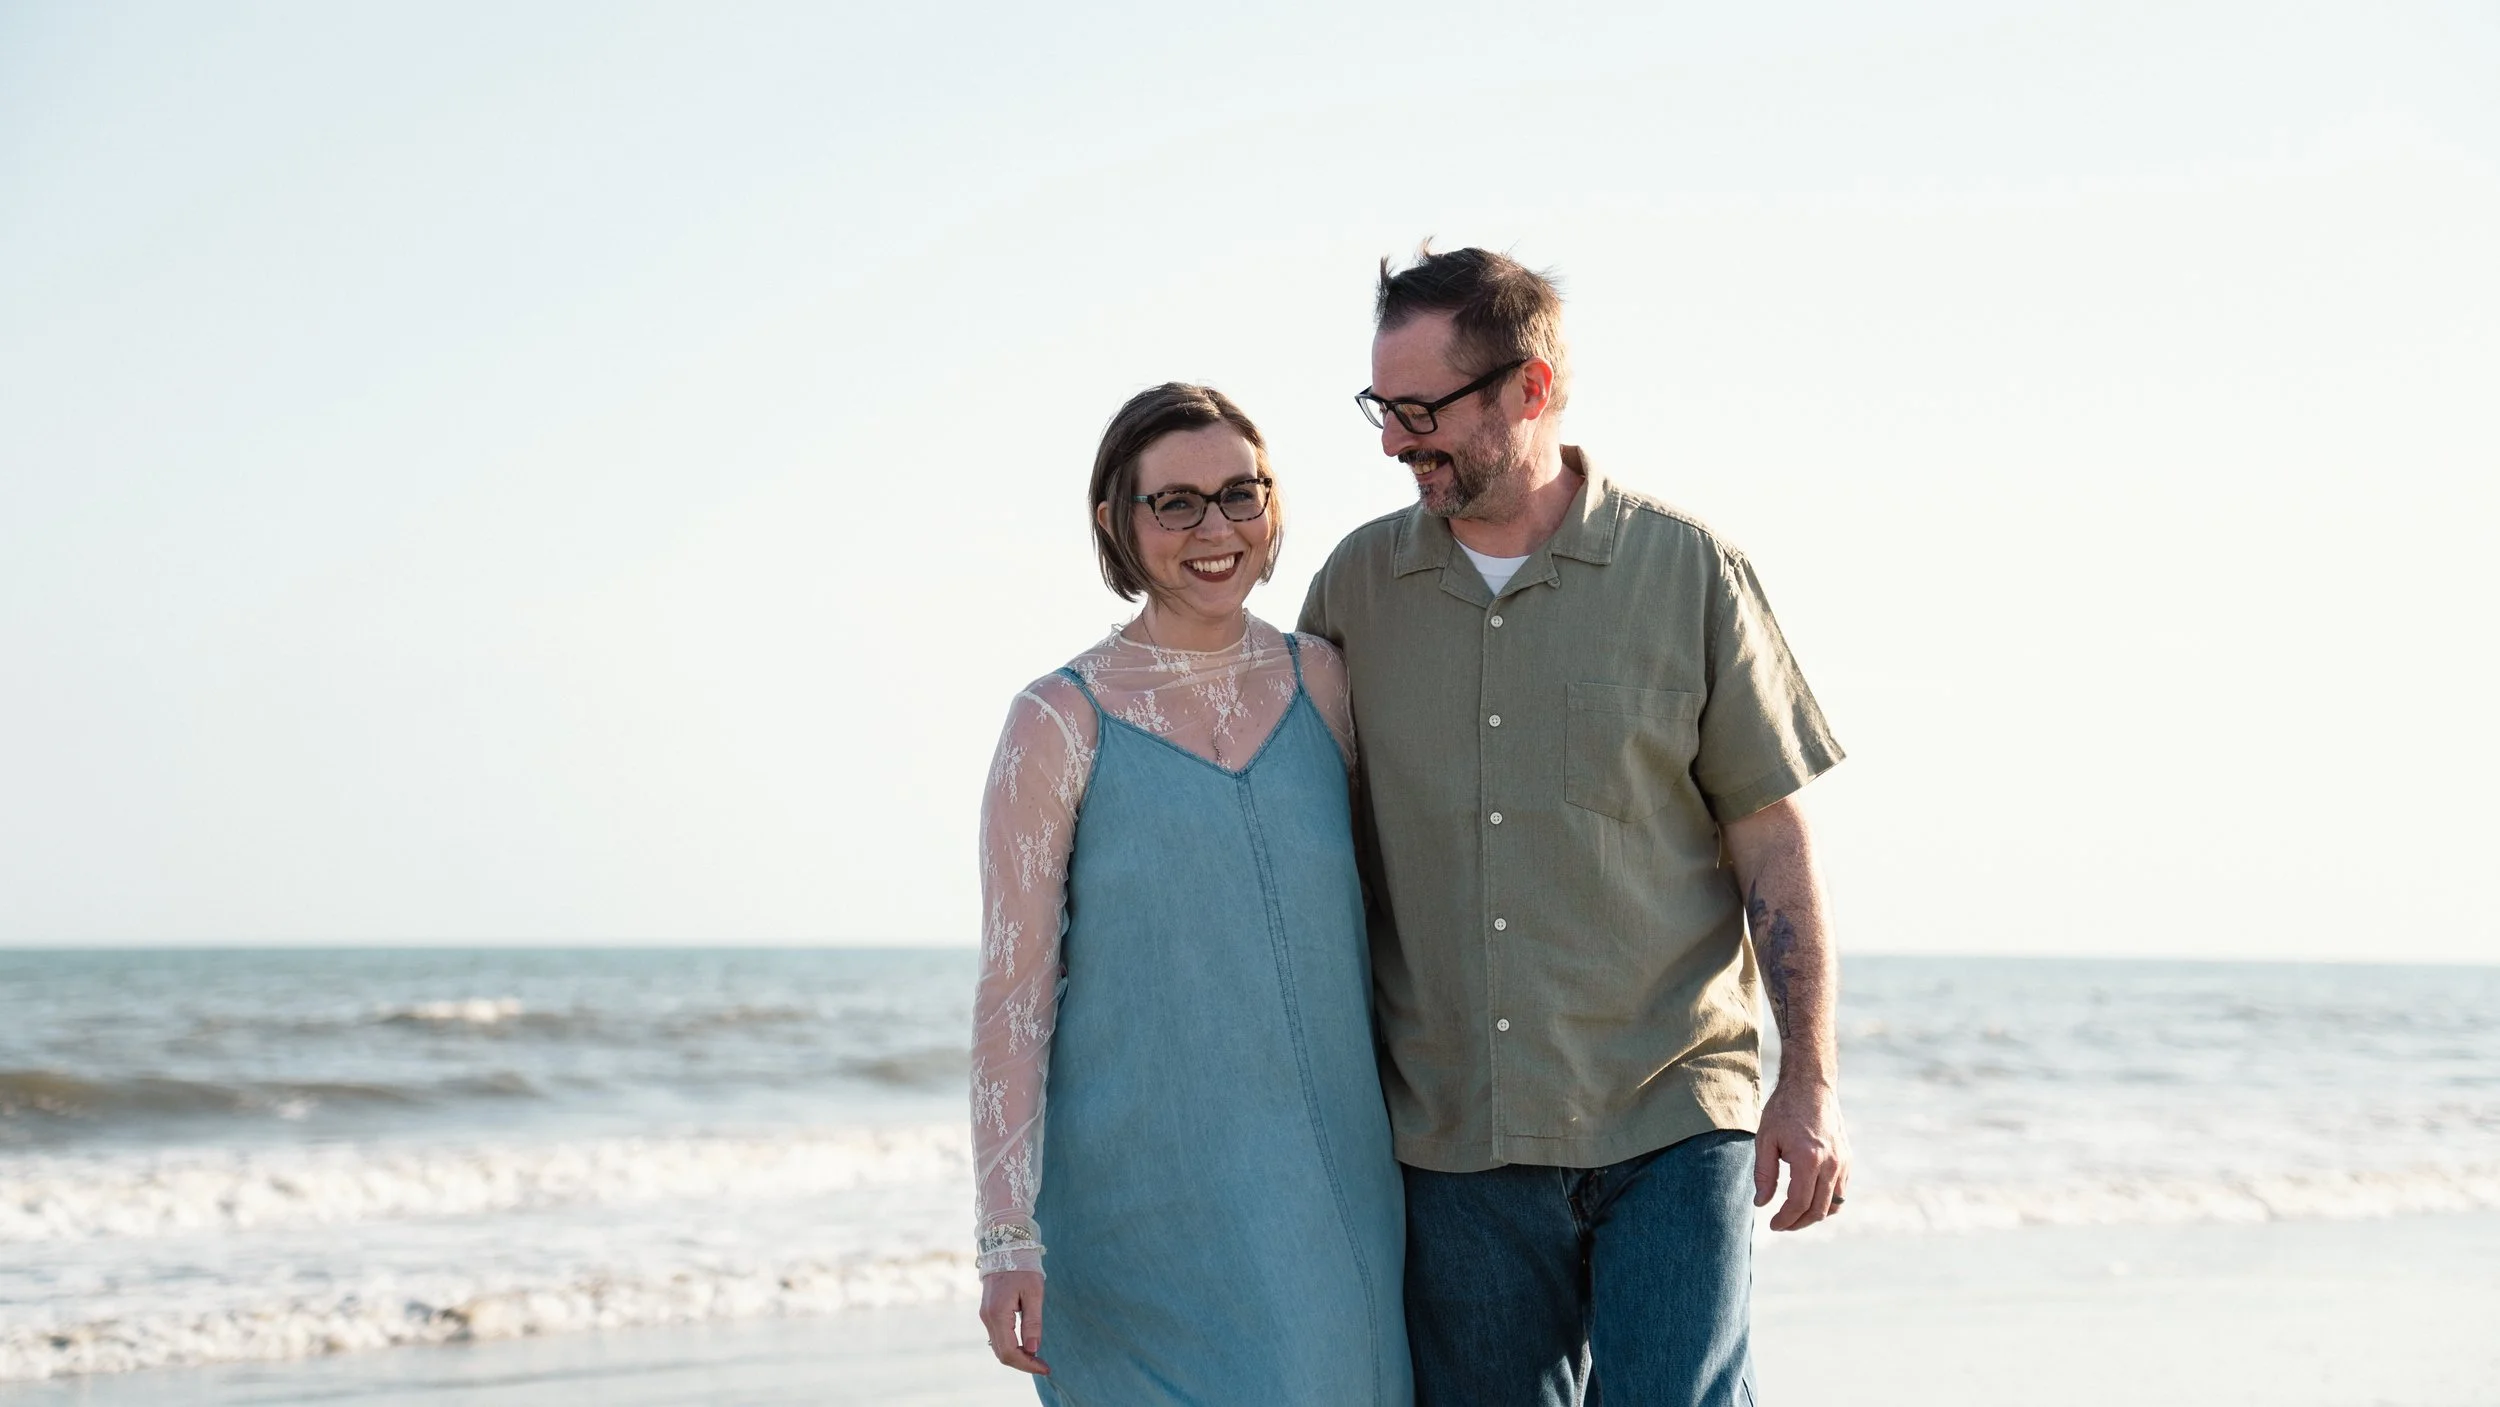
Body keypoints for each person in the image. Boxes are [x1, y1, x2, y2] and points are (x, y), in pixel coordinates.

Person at [1298, 246, 1851, 1407]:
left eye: (1419, 410)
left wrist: (1808, 1085)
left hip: (1669, 1112)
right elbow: (1306, 854)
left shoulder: (1688, 572)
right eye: (1379, 409)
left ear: (1529, 390)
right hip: (1452, 1136)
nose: (1393, 441)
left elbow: (1774, 847)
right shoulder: (1354, 592)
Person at [970, 383, 1413, 1404]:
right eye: (1174, 503)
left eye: (1239, 494)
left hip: (1328, 1199)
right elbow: (1012, 999)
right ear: (1115, 523)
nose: (1214, 530)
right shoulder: (1056, 720)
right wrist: (1005, 1238)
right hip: (1132, 1219)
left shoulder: (1330, 684)